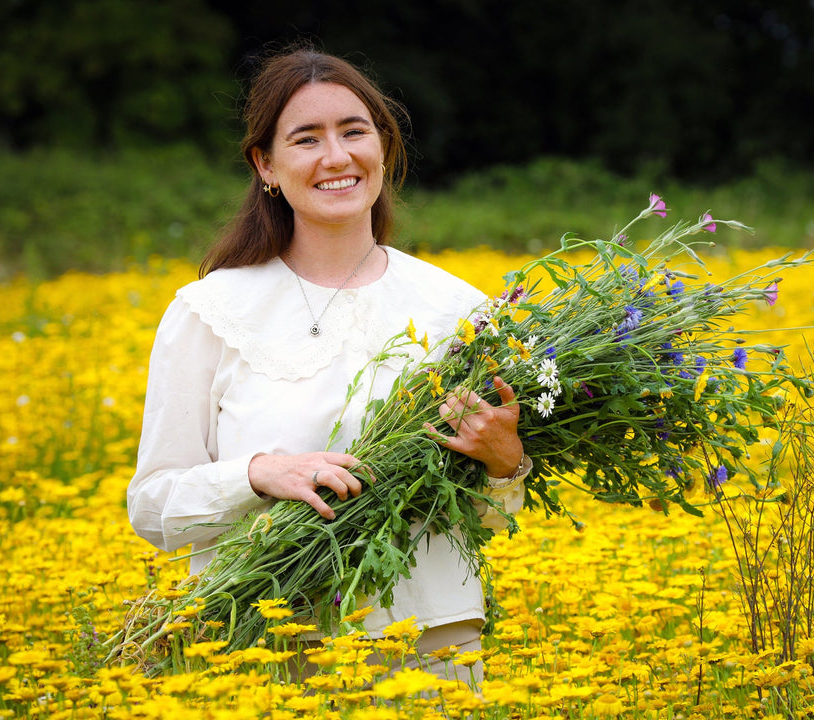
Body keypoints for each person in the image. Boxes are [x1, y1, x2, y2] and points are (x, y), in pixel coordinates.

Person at [126, 48, 530, 684]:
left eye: (353, 131)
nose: (336, 157)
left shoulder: (461, 311)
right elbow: (153, 507)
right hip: (261, 644)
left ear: (384, 148)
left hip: (428, 643)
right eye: (306, 139)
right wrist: (259, 475)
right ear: (267, 165)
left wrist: (505, 462)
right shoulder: (208, 311)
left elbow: (486, 519)